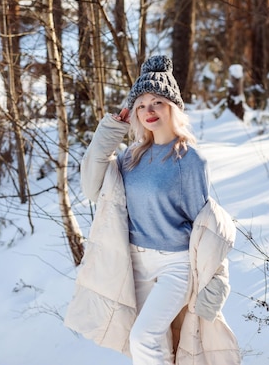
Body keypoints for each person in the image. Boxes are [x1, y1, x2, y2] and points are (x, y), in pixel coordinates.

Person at [64, 55, 240, 365]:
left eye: (157, 102)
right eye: (142, 104)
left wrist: (218, 278)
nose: (149, 110)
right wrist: (111, 130)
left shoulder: (189, 161)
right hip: (136, 264)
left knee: (142, 337)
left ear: (172, 106)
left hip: (175, 266)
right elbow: (93, 187)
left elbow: (206, 227)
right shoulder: (132, 156)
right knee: (149, 343)